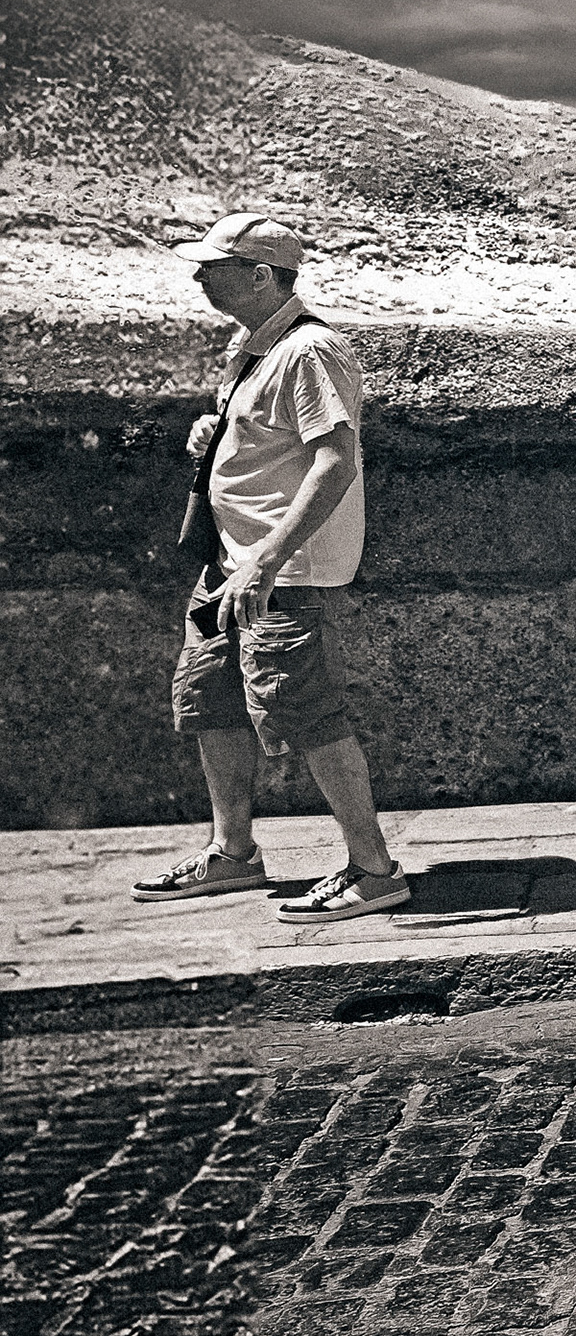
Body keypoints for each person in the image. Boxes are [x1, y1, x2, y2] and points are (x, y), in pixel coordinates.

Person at [129, 213, 410, 922]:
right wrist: (215, 432)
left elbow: (335, 460)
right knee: (208, 696)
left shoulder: (311, 350)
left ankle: (374, 869)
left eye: (213, 265)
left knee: (304, 709)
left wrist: (268, 561)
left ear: (260, 275)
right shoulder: (254, 348)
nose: (198, 275)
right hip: (233, 564)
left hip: (281, 572)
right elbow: (272, 441)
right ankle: (234, 854)